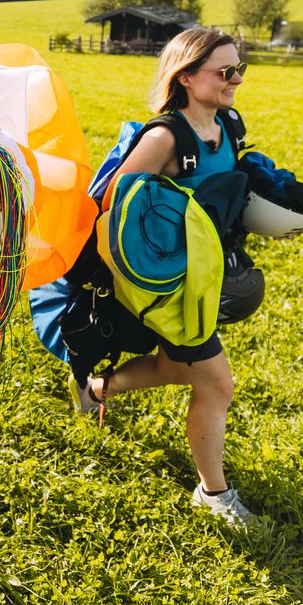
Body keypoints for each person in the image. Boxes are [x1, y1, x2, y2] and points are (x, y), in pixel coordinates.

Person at [72, 27, 257, 526]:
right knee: (217, 384)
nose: (235, 79)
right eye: (224, 71)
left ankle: (96, 389)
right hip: (168, 283)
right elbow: (115, 204)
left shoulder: (228, 125)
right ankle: (214, 494)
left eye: (239, 68)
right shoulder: (165, 137)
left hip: (202, 276)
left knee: (177, 368)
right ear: (187, 76)